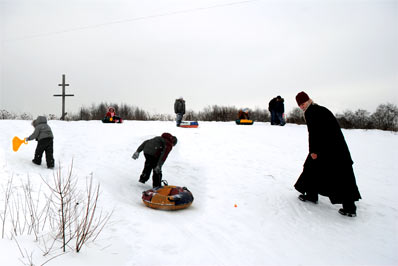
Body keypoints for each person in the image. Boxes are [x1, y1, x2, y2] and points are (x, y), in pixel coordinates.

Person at [294, 91, 361, 217]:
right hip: (336, 148)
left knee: (335, 174)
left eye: (303, 103)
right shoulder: (319, 109)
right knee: (318, 168)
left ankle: (349, 207)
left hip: (329, 149)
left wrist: (313, 151)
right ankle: (312, 195)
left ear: (308, 100)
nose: (302, 106)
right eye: (300, 105)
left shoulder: (311, 112)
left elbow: (314, 133)